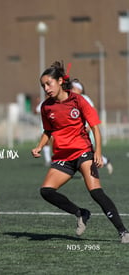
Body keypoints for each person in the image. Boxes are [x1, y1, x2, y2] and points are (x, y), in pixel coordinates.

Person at [31, 61, 129, 243]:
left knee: (96, 192)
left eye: (48, 84)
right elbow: (48, 131)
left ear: (60, 81)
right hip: (62, 157)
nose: (46, 88)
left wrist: (98, 152)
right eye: (43, 85)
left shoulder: (78, 100)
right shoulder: (46, 107)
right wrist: (39, 145)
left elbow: (95, 127)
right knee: (46, 191)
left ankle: (123, 231)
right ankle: (80, 213)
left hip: (83, 152)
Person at [71, 78, 113, 174]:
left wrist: (89, 126)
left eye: (74, 88)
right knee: (84, 152)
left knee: (87, 152)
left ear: (79, 89)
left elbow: (93, 111)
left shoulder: (84, 98)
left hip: (87, 131)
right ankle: (104, 161)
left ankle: (94, 167)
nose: (72, 90)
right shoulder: (71, 99)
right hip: (78, 131)